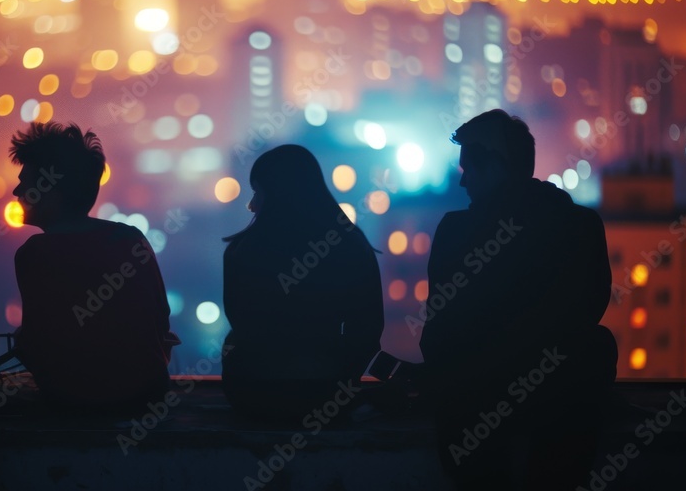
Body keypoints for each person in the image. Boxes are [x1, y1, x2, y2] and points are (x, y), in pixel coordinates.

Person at [418, 109, 616, 490]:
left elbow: (439, 330)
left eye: (468, 169)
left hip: (472, 426)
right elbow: (590, 310)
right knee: (598, 344)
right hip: (555, 412)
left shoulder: (457, 232)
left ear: (495, 167)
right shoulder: (580, 225)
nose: (462, 181)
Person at [9, 122, 179, 413]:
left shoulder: (35, 254)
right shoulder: (130, 239)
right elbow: (161, 321)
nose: (17, 190)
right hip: (146, 396)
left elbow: (38, 343)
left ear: (51, 191)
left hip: (72, 402)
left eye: (25, 181)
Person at [221, 145, 384, 420]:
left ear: (274, 195)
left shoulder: (244, 250)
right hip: (325, 393)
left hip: (252, 393)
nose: (252, 205)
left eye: (257, 192)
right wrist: (341, 382)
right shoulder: (351, 246)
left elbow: (241, 324)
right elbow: (367, 331)